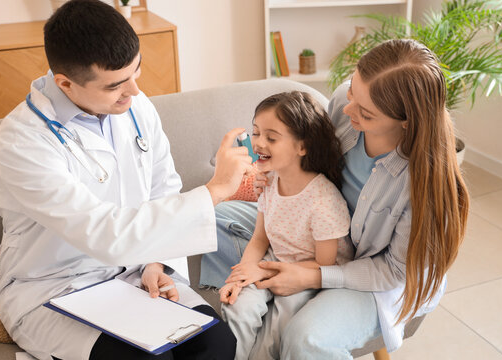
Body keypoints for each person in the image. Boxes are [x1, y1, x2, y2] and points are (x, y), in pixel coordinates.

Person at [0, 1, 252, 359]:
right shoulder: (24, 140)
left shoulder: (136, 106)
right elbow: (103, 232)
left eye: (136, 72)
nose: (133, 91)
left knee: (219, 346)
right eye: (115, 85)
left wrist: (156, 263)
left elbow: (164, 189)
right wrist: (214, 191)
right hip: (54, 288)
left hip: (136, 274)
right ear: (65, 83)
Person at [200, 39, 470, 359]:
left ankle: (278, 309)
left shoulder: (425, 185)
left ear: (406, 121)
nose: (346, 108)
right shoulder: (346, 104)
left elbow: (393, 271)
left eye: (365, 113)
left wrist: (312, 275)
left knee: (306, 339)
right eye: (353, 90)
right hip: (317, 230)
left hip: (375, 275)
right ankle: (244, 303)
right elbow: (312, 161)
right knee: (209, 217)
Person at [218, 91, 354, 359]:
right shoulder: (269, 181)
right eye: (256, 133)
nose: (258, 143)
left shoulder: (323, 201)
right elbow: (259, 238)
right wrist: (243, 273)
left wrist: (263, 272)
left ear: (302, 147)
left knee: (277, 333)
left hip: (307, 274)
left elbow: (324, 264)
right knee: (237, 307)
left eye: (271, 137)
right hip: (273, 258)